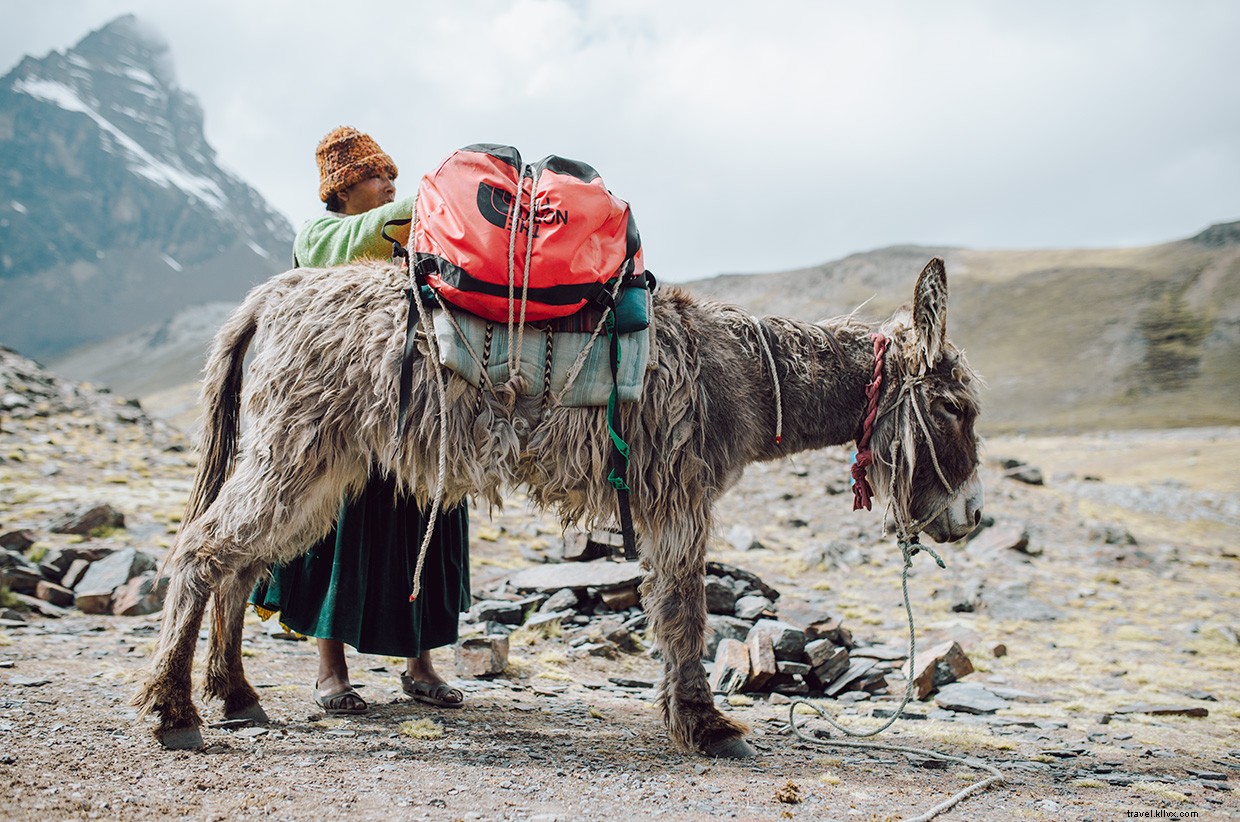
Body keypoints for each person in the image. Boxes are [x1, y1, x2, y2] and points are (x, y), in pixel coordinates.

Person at [251, 126, 470, 714]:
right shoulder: (321, 234)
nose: (389, 185)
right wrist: (437, 195)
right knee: (337, 531)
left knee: (424, 526)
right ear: (343, 187)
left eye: (394, 177)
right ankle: (330, 672)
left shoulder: (404, 241)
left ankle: (420, 666)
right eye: (378, 176)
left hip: (411, 407)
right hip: (342, 409)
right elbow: (358, 239)